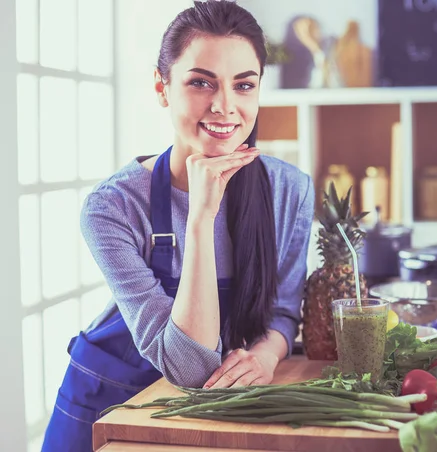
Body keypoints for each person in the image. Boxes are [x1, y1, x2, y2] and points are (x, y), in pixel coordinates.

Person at [41, 1, 315, 450]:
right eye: (201, 82)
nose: (225, 106)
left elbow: (283, 311)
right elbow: (188, 366)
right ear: (161, 86)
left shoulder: (290, 191)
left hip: (207, 417)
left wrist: (265, 355)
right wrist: (202, 216)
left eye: (243, 85)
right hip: (107, 414)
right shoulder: (112, 207)